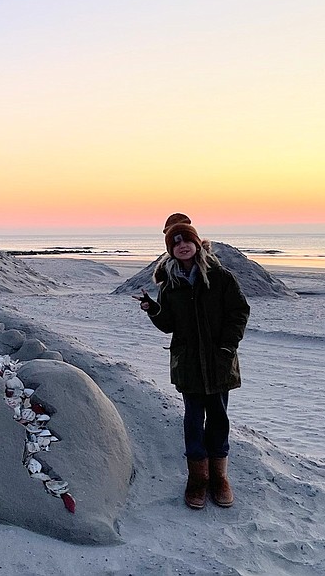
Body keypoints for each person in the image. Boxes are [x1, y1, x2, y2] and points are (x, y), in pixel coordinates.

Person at [133, 214, 250, 510]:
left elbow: (239, 311)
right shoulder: (170, 284)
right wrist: (153, 309)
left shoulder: (220, 277)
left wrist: (227, 345)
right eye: (176, 243)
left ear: (197, 244)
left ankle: (219, 478)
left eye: (186, 240)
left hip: (219, 361)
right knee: (193, 420)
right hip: (188, 364)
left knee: (219, 418)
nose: (182, 246)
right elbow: (169, 324)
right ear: (170, 250)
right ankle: (197, 479)